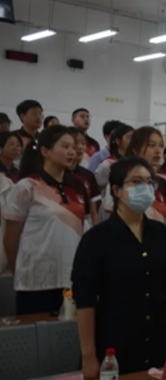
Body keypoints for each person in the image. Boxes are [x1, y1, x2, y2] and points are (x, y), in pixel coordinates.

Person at [72, 157, 166, 376]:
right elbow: (85, 301)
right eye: (136, 182)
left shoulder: (161, 234)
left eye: (149, 182)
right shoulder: (96, 239)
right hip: (115, 344)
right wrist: (88, 355)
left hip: (157, 339)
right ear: (117, 190)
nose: (145, 188)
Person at [3, 125, 88, 314]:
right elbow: (10, 238)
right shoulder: (27, 187)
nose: (72, 152)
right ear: (45, 151)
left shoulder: (78, 187)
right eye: (65, 146)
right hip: (34, 282)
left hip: (71, 279)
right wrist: (20, 272)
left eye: (73, 147)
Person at [126, 127, 166, 230]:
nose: (158, 151)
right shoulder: (124, 180)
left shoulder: (163, 182)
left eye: (161, 145)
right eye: (151, 145)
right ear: (135, 150)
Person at [94, 124, 134, 223]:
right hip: (111, 209)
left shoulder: (136, 164)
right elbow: (98, 187)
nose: (133, 140)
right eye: (129, 137)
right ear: (118, 141)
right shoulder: (107, 164)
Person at [67, 128, 102, 228]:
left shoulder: (88, 175)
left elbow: (93, 210)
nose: (80, 147)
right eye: (75, 143)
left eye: (83, 143)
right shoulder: (58, 174)